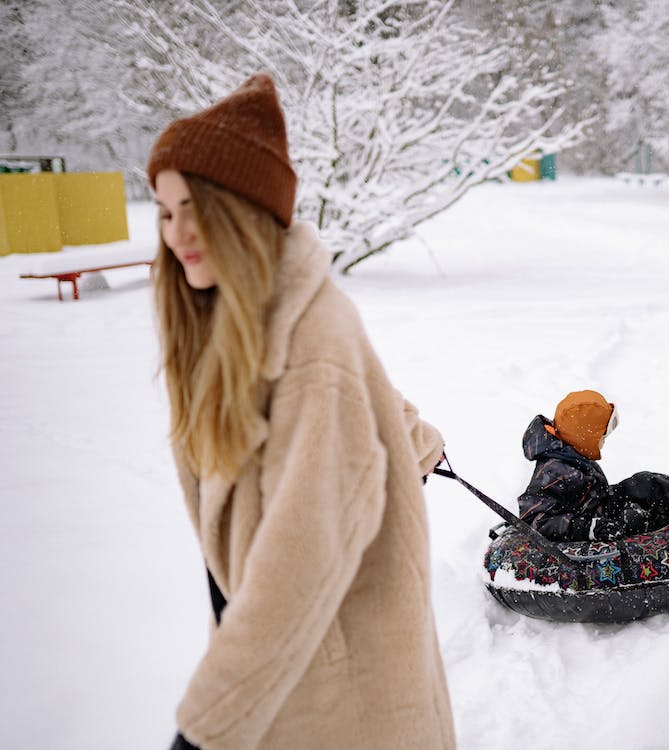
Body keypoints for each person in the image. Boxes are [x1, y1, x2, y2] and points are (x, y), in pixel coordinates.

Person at [149, 75, 455, 749]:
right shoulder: (242, 317)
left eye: (196, 206)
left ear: (242, 208)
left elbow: (300, 564)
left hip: (333, 691)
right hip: (288, 670)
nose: (178, 232)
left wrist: (203, 729)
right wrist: (415, 438)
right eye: (166, 211)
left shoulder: (310, 335)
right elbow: (363, 393)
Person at [518, 390, 669, 542]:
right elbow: (534, 518)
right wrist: (590, 528)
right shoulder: (553, 471)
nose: (604, 440)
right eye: (602, 434)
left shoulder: (569, 451)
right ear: (584, 435)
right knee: (643, 517)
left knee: (648, 483)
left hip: (600, 504)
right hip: (589, 523)